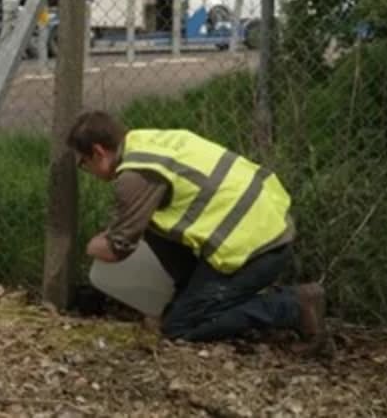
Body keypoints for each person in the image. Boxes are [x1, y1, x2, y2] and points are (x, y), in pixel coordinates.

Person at [66, 110, 326, 348]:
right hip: (266, 227)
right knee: (152, 223)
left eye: (83, 164)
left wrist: (90, 246)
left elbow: (117, 249)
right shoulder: (148, 142)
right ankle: (192, 294)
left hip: (256, 251)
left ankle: (292, 306)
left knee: (179, 327)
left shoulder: (135, 177)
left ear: (98, 152)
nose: (86, 170)